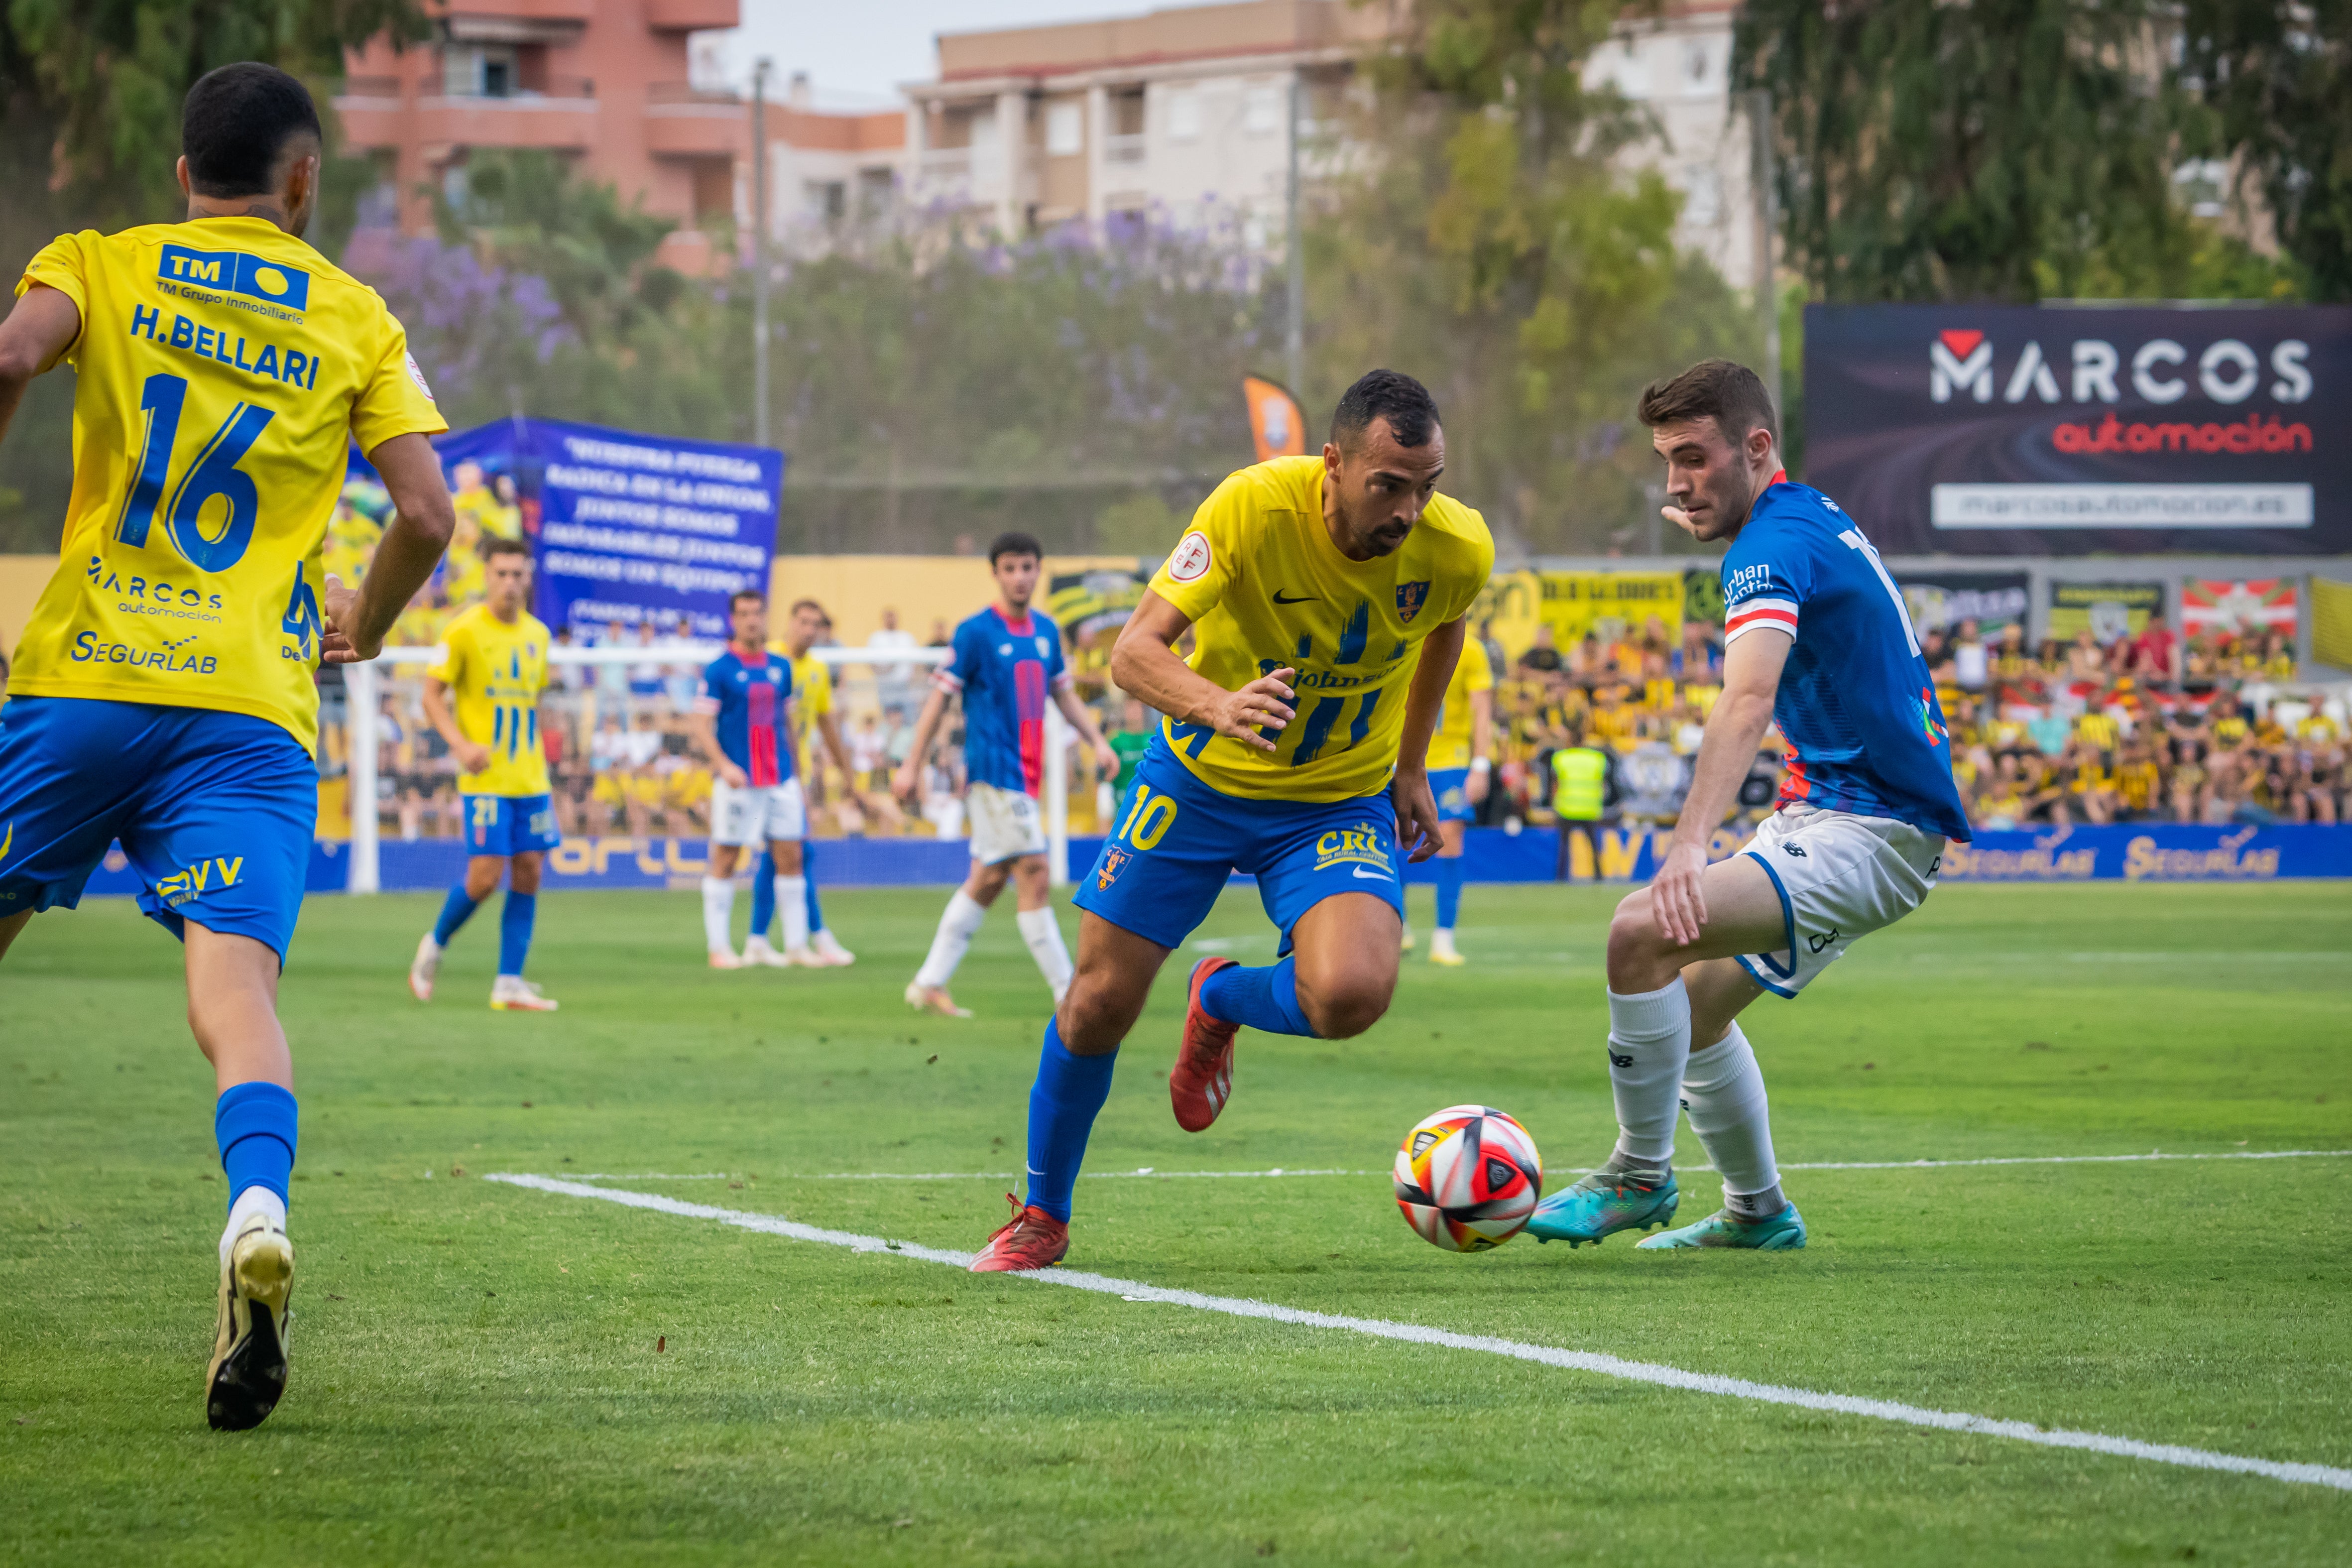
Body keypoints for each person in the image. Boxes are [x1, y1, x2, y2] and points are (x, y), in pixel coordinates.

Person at [0, 63, 455, 1428]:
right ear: (301, 181)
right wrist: (361, 622)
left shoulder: (105, 260)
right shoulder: (357, 316)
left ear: (182, 169)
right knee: (237, 994)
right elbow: (427, 512)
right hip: (249, 711)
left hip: (83, 675)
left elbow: (13, 353)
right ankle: (256, 1204)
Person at [967, 370, 1493, 1272]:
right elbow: (1131, 653)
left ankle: (1217, 996)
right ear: (1332, 464)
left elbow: (1445, 625)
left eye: (1426, 486)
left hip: (1335, 798)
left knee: (1351, 995)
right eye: (1389, 486)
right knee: (1096, 1003)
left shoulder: (1456, 548)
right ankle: (1041, 1214)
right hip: (1200, 781)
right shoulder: (1249, 508)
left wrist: (1411, 764)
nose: (1410, 510)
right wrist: (1214, 704)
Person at [1526, 359, 1968, 1252]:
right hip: (1852, 818)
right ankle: (1757, 1211)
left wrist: (1689, 843)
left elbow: (1744, 698)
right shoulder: (1799, 515)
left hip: (1864, 827)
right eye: (1665, 463)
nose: (1677, 481)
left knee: (1637, 930)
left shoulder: (1766, 548)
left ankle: (1637, 1172)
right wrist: (1710, 509)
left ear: (1755, 445)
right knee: (1686, 1014)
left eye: (1693, 457)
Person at [892, 534, 1118, 1017]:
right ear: (996, 573)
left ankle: (929, 983)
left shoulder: (1045, 631)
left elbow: (1063, 693)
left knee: (990, 878)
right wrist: (911, 763)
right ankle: (1066, 992)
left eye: (1028, 567)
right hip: (994, 774)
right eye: (1011, 568)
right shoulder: (975, 632)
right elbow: (938, 698)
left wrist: (1097, 740)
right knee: (1034, 872)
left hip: (1027, 776)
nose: (1020, 576)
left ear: (1038, 571)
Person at [407, 537, 558, 1011]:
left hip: (530, 778)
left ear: (528, 577)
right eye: (502, 574)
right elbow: (431, 696)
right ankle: (435, 942)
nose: (510, 583)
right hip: (486, 777)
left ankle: (509, 981)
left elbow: (532, 701)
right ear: (487, 576)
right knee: (486, 876)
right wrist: (461, 744)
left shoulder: (539, 635)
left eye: (519, 573)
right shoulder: (463, 631)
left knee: (531, 870)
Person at [743, 598, 862, 968]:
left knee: (783, 856)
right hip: (762, 773)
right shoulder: (770, 658)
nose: (809, 631)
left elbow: (826, 723)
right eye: (804, 622)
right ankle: (815, 935)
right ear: (790, 623)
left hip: (799, 772)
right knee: (794, 854)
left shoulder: (818, 670)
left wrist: (846, 773)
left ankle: (759, 939)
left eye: (817, 625)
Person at [691, 591, 807, 968]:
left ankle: (796, 946)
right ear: (733, 620)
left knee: (791, 856)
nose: (752, 620)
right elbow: (701, 725)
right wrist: (723, 765)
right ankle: (719, 948)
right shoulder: (720, 669)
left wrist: (799, 769)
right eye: (744, 614)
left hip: (781, 777)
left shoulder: (781, 667)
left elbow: (786, 720)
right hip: (739, 778)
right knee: (726, 856)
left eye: (757, 613)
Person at [1402, 618, 1493, 964]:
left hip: (1452, 759)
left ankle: (1443, 938)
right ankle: (1398, 925)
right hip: (1403, 754)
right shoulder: (1405, 635)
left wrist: (1481, 764)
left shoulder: (1470, 648)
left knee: (1451, 835)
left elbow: (1481, 709)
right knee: (1396, 837)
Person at [1551, 724, 1612, 880]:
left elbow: (1555, 785)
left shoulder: (1561, 758)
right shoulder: (1597, 759)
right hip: (1590, 809)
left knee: (1564, 847)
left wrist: (1554, 804)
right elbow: (1604, 784)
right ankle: (1599, 876)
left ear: (1570, 741)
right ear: (1584, 741)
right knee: (1594, 846)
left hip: (1567, 808)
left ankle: (1561, 877)